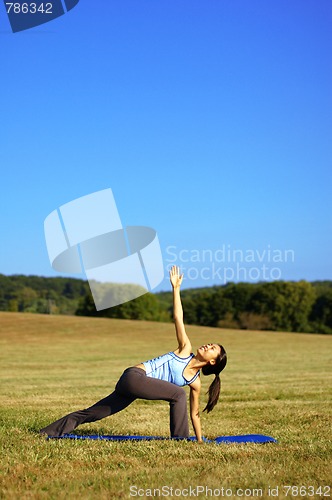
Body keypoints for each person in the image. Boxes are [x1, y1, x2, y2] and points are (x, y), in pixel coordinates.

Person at [40, 266, 227, 442]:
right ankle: (180, 440)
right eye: (210, 344)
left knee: (93, 413)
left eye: (212, 349)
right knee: (178, 394)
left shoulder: (195, 382)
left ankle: (47, 432)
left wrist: (200, 440)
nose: (207, 345)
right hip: (134, 377)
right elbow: (178, 318)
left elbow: (194, 413)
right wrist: (176, 289)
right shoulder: (185, 349)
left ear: (212, 362)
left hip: (133, 388)